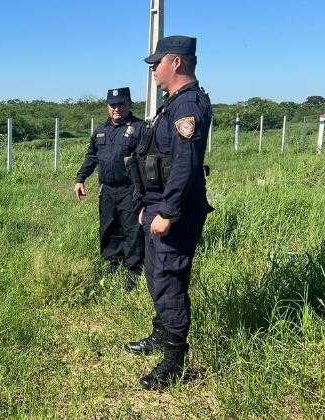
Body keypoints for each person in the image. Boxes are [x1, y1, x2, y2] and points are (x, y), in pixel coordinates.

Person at [125, 36, 214, 390]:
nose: (152, 69)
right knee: (157, 275)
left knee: (169, 281)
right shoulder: (172, 103)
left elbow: (184, 165)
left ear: (175, 62)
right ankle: (161, 335)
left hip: (173, 212)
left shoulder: (188, 105)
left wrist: (169, 212)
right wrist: (147, 207)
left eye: (156, 63)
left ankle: (174, 362)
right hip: (158, 206)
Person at [74, 87, 146, 291]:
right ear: (107, 107)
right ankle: (112, 266)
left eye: (121, 104)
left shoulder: (140, 128)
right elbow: (91, 157)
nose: (116, 109)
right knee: (109, 228)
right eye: (112, 105)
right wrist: (81, 179)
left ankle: (133, 271)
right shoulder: (100, 131)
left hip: (130, 190)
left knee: (132, 231)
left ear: (129, 104)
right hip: (107, 190)